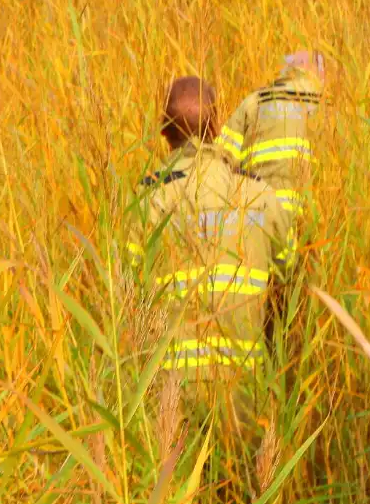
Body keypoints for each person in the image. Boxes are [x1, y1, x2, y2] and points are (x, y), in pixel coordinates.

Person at [125, 76, 295, 463]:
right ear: (216, 128)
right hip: (245, 393)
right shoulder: (258, 196)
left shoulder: (147, 201)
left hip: (171, 400)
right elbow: (287, 282)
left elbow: (129, 299)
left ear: (164, 134)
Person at [215, 50, 327, 218]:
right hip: (311, 217)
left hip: (259, 213)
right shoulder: (325, 108)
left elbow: (221, 159)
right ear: (318, 73)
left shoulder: (254, 102)